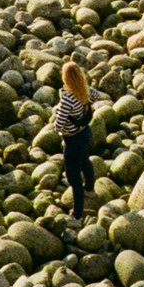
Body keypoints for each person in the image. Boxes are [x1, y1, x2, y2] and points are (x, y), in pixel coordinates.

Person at [53, 60, 96, 220]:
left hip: (72, 140)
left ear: (66, 79)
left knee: (73, 176)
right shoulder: (85, 90)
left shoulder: (67, 100)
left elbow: (58, 126)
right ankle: (90, 187)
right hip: (85, 133)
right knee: (85, 160)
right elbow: (96, 96)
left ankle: (77, 213)